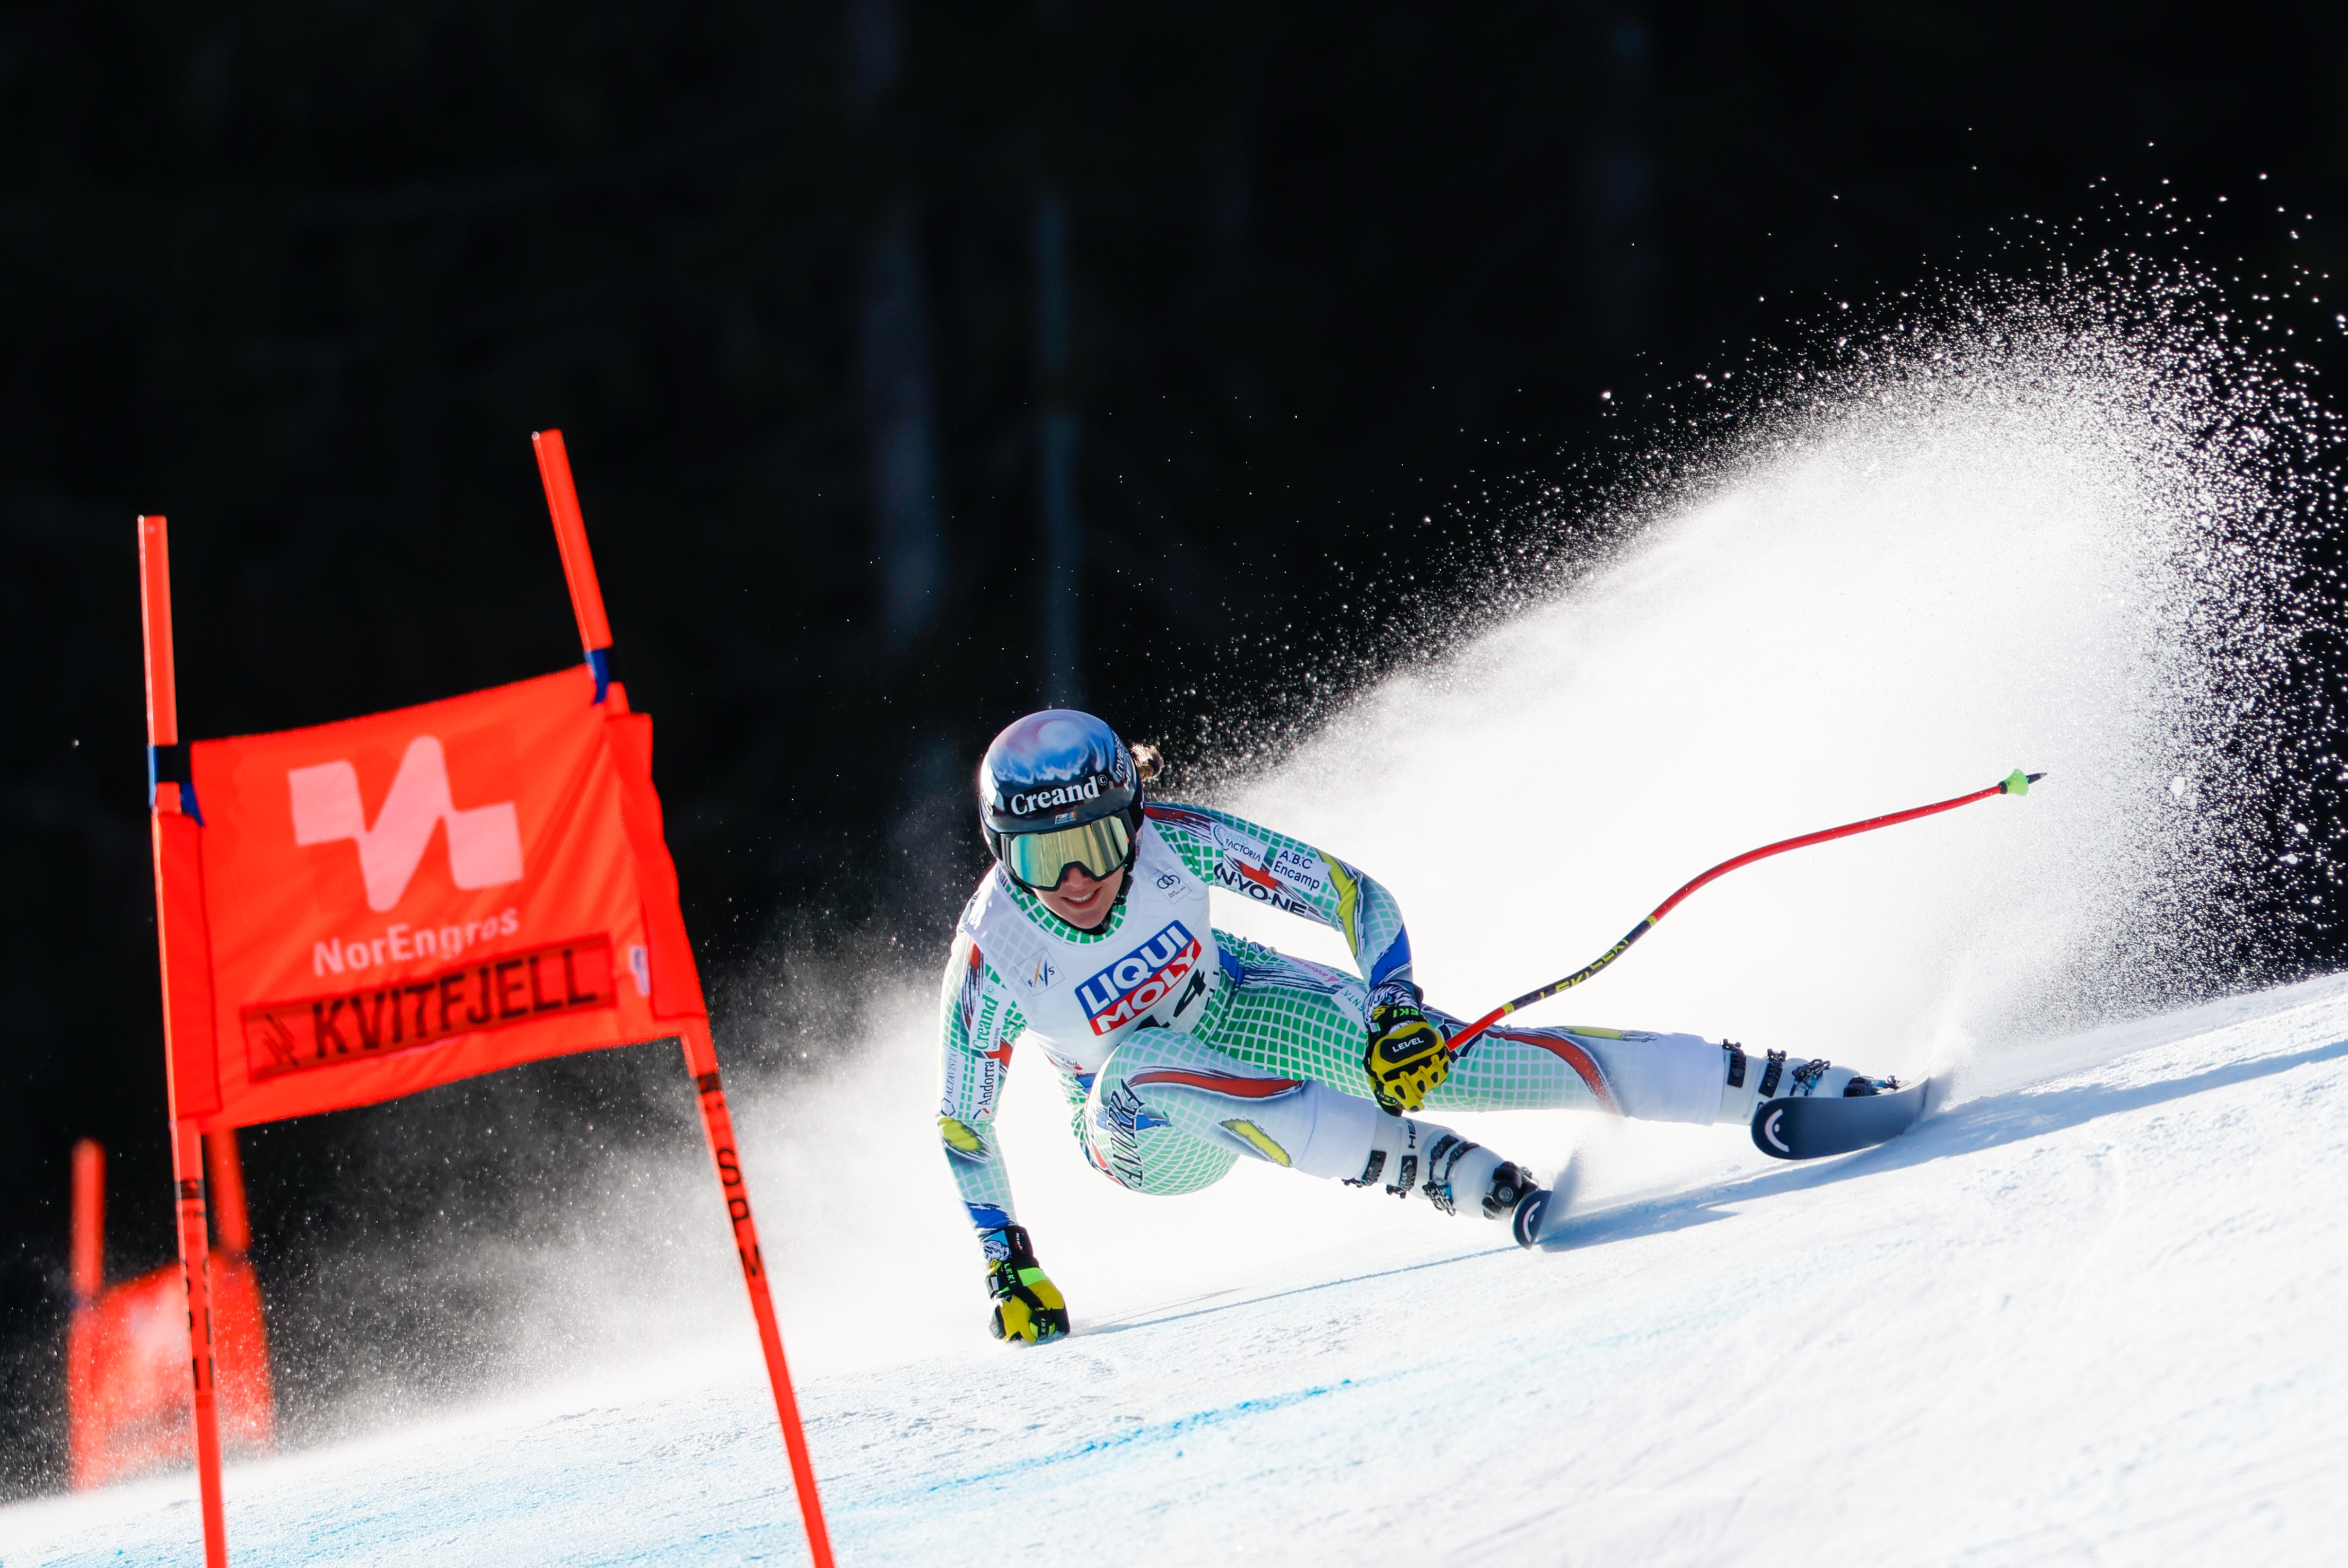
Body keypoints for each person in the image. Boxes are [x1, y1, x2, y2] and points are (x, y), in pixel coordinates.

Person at [939, 710, 1891, 1344]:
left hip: (1238, 1005)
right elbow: (964, 1121)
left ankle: (1763, 1084)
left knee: (1450, 1061)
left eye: (1097, 842)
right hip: (1137, 1132)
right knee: (1141, 1063)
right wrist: (1006, 1264)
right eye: (1043, 859)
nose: (1077, 879)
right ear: (1001, 853)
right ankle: (1437, 1169)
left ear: (1134, 818)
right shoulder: (995, 952)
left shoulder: (1175, 840)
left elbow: (1353, 895)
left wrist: (1394, 1007)